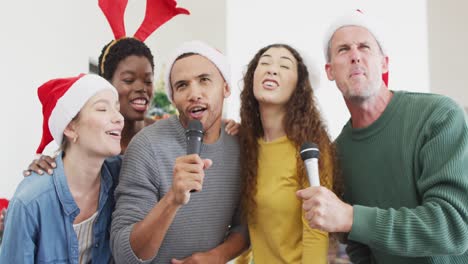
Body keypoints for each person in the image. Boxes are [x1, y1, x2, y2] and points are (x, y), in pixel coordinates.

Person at [296, 10, 468, 264]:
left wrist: (350, 217)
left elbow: (453, 227)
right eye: (343, 50)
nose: (355, 56)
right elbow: (360, 248)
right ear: (330, 71)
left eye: (364, 47)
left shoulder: (438, 116)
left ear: (384, 62)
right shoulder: (337, 153)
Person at [110, 40, 249, 264]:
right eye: (182, 85)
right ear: (173, 97)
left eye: (204, 80)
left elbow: (246, 224)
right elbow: (124, 253)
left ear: (226, 88)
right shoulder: (146, 146)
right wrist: (172, 199)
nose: (194, 94)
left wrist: (216, 257)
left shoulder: (240, 146)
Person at [0, 74, 123, 263]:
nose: (119, 118)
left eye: (117, 108)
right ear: (71, 127)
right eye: (102, 108)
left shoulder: (122, 176)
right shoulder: (29, 202)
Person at [238, 43, 339, 263]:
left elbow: (316, 232)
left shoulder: (311, 148)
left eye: (284, 66)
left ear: (299, 86)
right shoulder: (246, 146)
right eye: (264, 63)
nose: (272, 69)